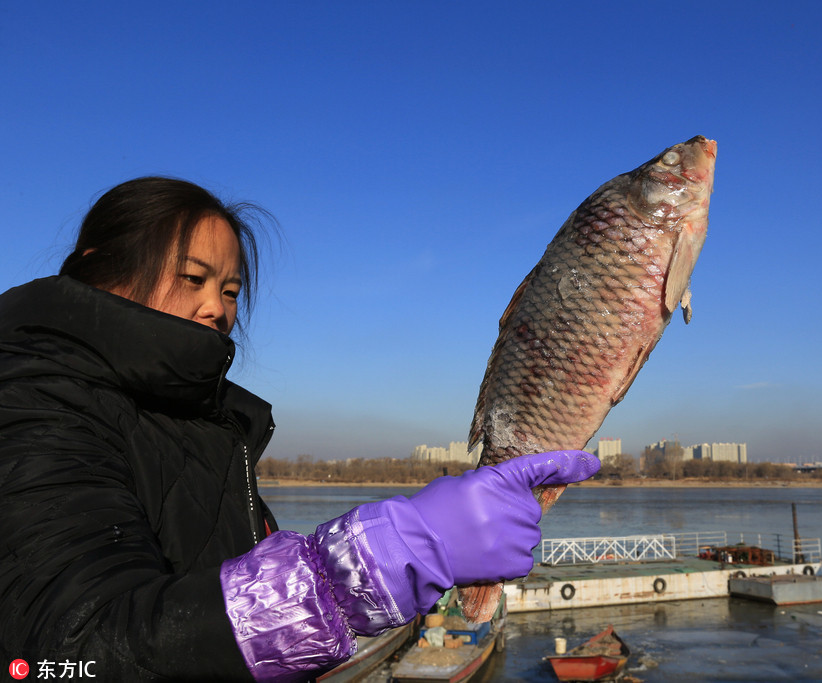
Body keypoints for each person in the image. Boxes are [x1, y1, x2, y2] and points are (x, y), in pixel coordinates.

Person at [0, 177, 600, 682]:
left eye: (230, 289)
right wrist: (371, 565)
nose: (217, 307)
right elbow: (71, 652)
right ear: (97, 272)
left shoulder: (211, 429)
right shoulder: (33, 403)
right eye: (192, 278)